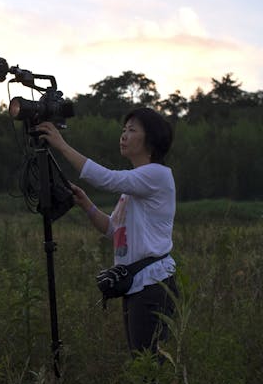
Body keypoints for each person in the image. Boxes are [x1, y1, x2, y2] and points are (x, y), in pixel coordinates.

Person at [36, 107, 178, 357]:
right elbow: (113, 230)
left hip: (153, 284)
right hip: (137, 284)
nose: (123, 135)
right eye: (123, 130)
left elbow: (108, 179)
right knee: (143, 360)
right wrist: (86, 204)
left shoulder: (156, 175)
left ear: (151, 139)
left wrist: (61, 145)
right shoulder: (135, 185)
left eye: (132, 130)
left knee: (150, 364)